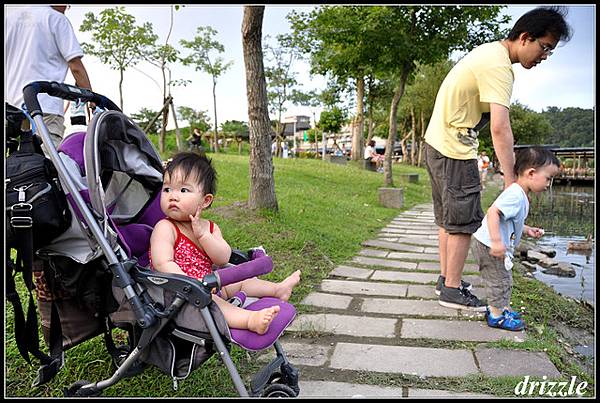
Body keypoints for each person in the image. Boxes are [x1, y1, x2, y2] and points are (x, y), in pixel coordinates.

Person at [423, 6, 571, 310]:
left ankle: (445, 280)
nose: (544, 56)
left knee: (447, 220)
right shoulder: (499, 66)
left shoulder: (489, 52)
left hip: (437, 141)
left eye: (550, 52)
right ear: (525, 37)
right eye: (544, 47)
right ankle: (452, 290)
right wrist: (510, 181)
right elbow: (501, 128)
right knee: (462, 223)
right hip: (454, 148)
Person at [149, 152, 302, 335]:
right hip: (179, 293)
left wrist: (205, 236)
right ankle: (249, 320)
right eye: (167, 189)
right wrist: (190, 284)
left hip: (210, 282)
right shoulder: (165, 227)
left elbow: (222, 258)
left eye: (183, 190)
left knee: (242, 281)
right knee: (214, 302)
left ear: (205, 201)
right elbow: (162, 263)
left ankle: (277, 290)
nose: (172, 196)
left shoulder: (210, 228)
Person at [472, 147, 560, 329]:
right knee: (499, 279)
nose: (548, 184)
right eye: (548, 178)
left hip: (491, 242)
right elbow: (493, 213)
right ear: (531, 173)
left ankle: (499, 308)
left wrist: (527, 230)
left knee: (503, 278)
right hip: (490, 244)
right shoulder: (515, 195)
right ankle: (496, 316)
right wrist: (496, 242)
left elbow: (509, 219)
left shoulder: (520, 194)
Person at [6, 5, 93, 148]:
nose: (66, 7)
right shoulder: (56, 19)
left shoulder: (9, 20)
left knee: (16, 164)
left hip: (12, 110)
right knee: (48, 164)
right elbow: (75, 65)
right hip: (45, 107)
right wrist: (91, 98)